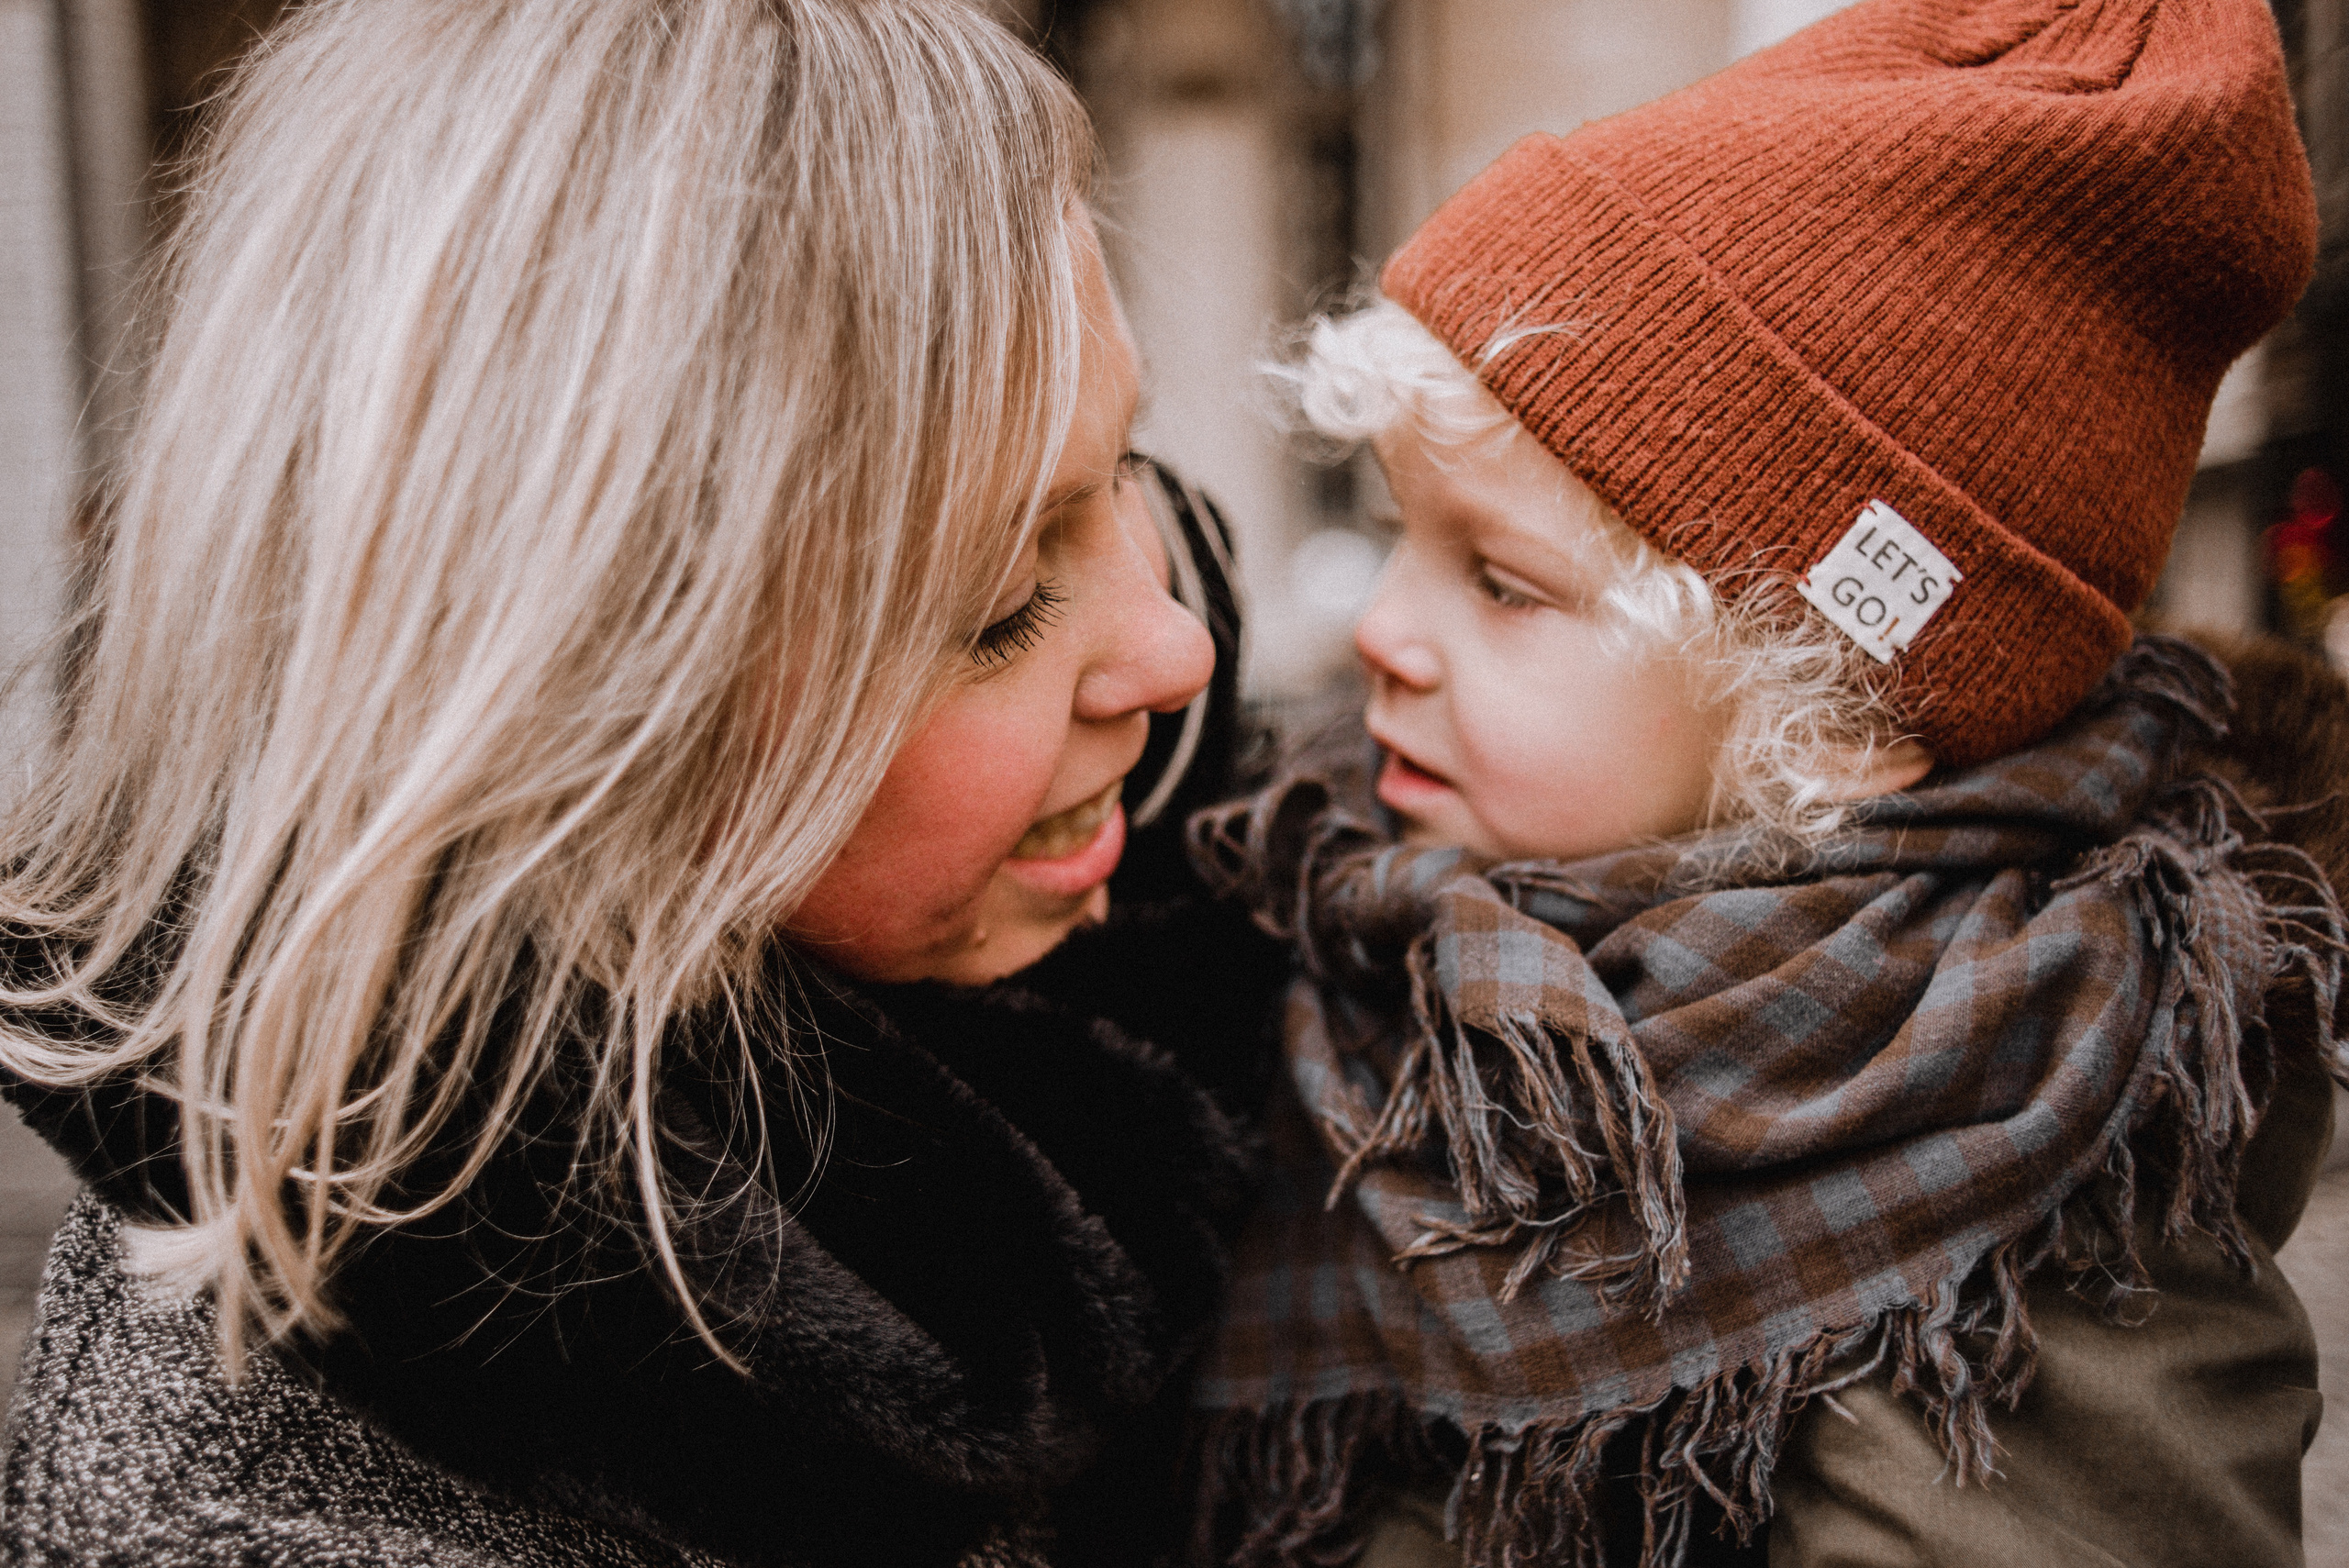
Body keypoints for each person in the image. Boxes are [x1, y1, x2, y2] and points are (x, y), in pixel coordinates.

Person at [0, 3, 1289, 1565]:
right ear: (585, 703)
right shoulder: (294, 1507)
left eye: (1125, 476)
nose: (1172, 648)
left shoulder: (1191, 907)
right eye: (1004, 600)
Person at [1184, 1, 2345, 1563]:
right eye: (1404, 535)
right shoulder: (1339, 928)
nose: (1383, 629)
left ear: (1832, 708)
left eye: (1505, 585)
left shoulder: (2036, 1188)